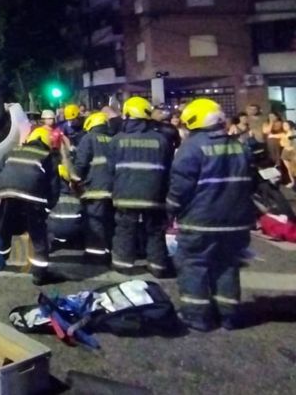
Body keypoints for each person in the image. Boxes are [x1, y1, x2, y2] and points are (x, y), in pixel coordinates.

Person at [167, 99, 254, 331]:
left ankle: (196, 316)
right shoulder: (240, 147)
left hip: (200, 221)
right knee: (227, 266)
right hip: (236, 222)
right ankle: (229, 315)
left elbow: (180, 188)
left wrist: (171, 210)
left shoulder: (191, 148)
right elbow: (250, 184)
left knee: (193, 265)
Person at [109, 96, 174, 278]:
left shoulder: (117, 140)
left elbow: (110, 169)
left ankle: (122, 264)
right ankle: (157, 266)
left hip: (125, 194)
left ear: (128, 115)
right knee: (155, 231)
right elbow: (169, 168)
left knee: (124, 229)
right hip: (154, 195)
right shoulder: (161, 140)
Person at [0, 126, 59, 285]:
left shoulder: (12, 152)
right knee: (38, 234)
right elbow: (53, 187)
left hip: (5, 193)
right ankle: (39, 274)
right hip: (32, 196)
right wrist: (47, 208)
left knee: (2, 228)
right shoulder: (47, 156)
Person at [72, 112, 114, 264]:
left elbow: (81, 162)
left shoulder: (88, 138)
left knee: (94, 222)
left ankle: (95, 255)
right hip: (113, 189)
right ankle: (108, 251)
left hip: (95, 188)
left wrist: (75, 179)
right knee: (109, 222)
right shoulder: (113, 139)